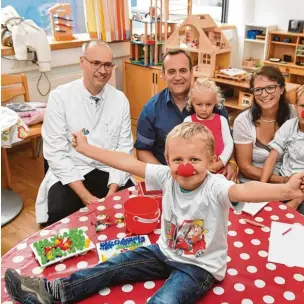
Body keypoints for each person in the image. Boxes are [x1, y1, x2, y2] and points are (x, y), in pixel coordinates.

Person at [5, 122, 304, 304]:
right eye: (178, 159)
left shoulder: (215, 186)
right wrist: (87, 149)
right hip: (165, 250)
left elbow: (245, 189)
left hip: (200, 267)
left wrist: (284, 189)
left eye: (194, 160)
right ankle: (51, 291)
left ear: (210, 162)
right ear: (168, 161)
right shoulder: (166, 176)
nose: (185, 167)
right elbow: (128, 161)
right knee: (113, 265)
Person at [233, 65, 304, 235]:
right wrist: (283, 181)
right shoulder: (244, 121)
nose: (264, 94)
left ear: (281, 89)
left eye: (270, 87)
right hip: (264, 179)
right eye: (258, 89)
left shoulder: (296, 113)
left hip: (300, 179)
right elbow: (246, 167)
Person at [35, 40, 134, 225]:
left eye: (107, 65)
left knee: (129, 208)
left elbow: (124, 149)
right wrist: (87, 198)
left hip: (108, 169)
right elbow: (55, 153)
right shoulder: (60, 98)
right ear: (82, 62)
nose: (102, 70)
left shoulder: (120, 100)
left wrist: (111, 194)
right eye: (95, 63)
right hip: (72, 173)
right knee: (61, 215)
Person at [134, 48, 238, 181]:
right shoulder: (150, 110)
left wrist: (232, 163)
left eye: (183, 70)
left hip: (213, 178)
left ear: (191, 72)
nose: (178, 77)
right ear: (163, 74)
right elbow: (142, 151)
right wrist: (168, 177)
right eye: (171, 72)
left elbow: (227, 139)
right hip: (169, 178)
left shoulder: (213, 103)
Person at [260, 82, 304, 227]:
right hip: (287, 179)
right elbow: (273, 156)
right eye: (302, 106)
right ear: (296, 105)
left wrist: (296, 201)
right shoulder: (288, 126)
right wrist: (261, 187)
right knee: (268, 216)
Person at [184, 78, 233, 173]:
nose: (204, 109)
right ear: (192, 102)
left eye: (208, 104)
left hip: (219, 170)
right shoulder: (188, 121)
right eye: (199, 104)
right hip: (196, 170)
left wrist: (221, 162)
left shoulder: (221, 120)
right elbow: (185, 145)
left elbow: (229, 144)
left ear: (215, 102)